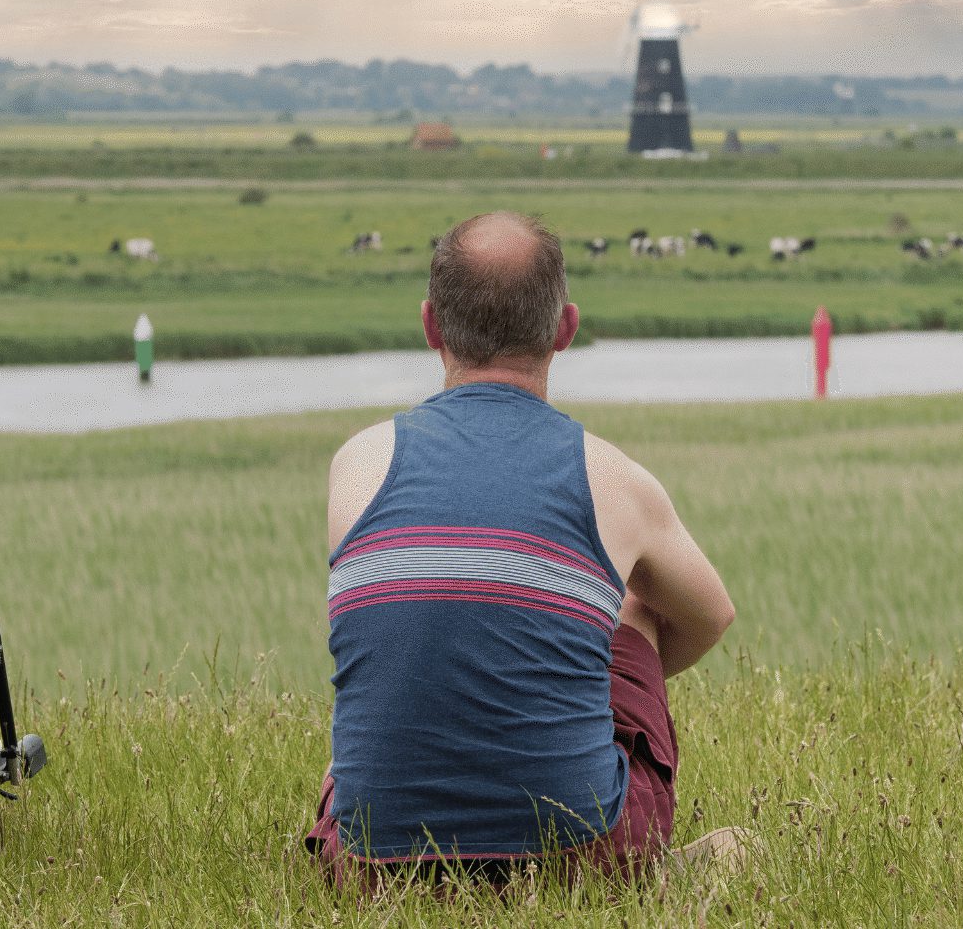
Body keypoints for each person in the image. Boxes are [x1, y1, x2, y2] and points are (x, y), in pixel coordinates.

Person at [306, 211, 748, 888]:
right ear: (565, 327)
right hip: (577, 859)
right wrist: (590, 672)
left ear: (430, 325)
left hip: (371, 868)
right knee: (632, 602)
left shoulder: (357, 464)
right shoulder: (614, 478)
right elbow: (711, 616)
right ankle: (648, 873)